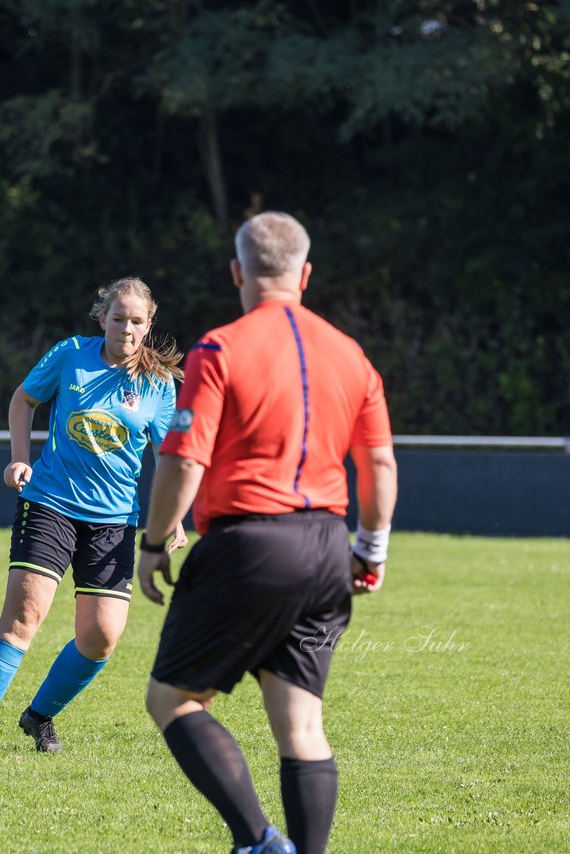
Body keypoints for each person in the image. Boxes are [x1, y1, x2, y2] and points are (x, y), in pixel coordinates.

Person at [137, 212, 398, 854]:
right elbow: (380, 464)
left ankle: (258, 842)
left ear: (237, 273)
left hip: (250, 545)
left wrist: (153, 542)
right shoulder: (352, 354)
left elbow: (183, 460)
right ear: (306, 274)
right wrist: (371, 548)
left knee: (173, 699)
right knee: (301, 723)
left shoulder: (220, 348)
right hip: (326, 548)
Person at [0, 277, 188, 760]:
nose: (127, 328)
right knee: (23, 618)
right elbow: (23, 400)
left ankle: (39, 715)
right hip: (50, 503)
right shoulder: (71, 354)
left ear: (149, 324)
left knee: (101, 638)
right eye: (118, 318)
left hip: (115, 522)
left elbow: (170, 455)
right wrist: (19, 457)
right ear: (103, 320)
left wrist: (174, 516)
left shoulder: (158, 385)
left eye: (137, 321)